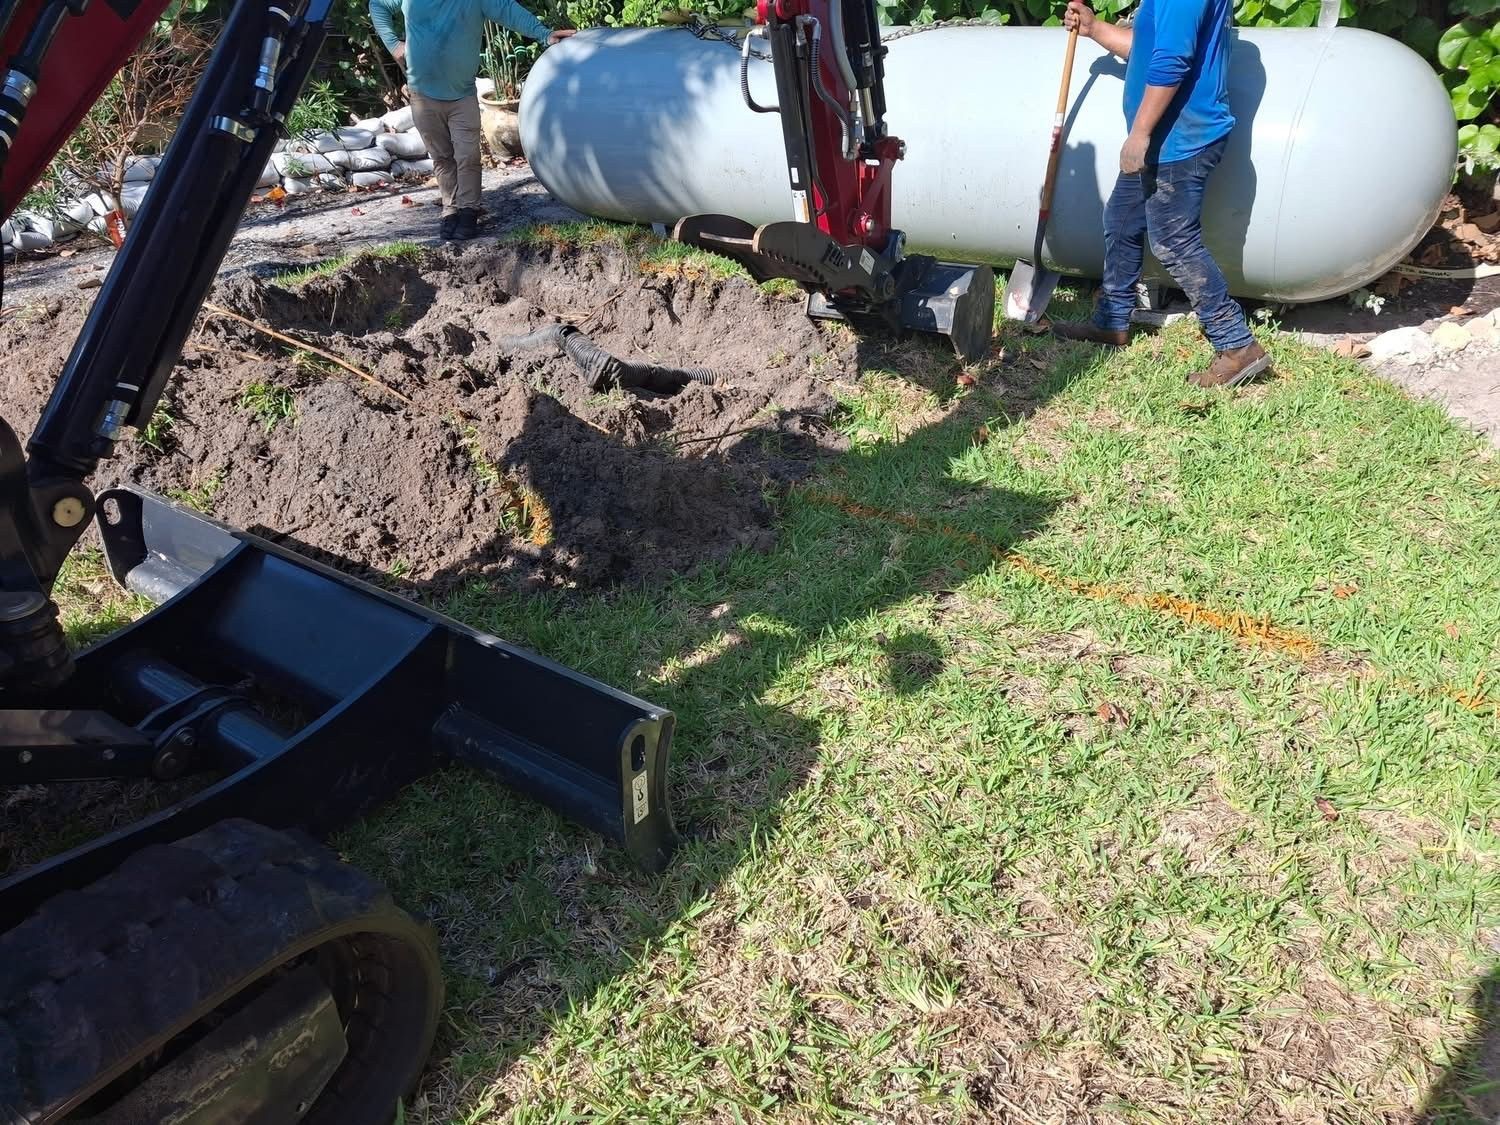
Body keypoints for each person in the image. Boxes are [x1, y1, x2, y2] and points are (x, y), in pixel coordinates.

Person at [1052, 0, 1269, 389]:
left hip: (1181, 139)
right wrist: (1095, 28)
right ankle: (1113, 321)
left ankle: (1238, 345)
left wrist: (1139, 134)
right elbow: (1149, 46)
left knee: (1174, 240)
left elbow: (1172, 60)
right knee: (1120, 220)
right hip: (1166, 138)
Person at [369, 0, 574, 241]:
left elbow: (507, 9)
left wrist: (544, 35)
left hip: (461, 95)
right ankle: (450, 210)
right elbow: (377, 5)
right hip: (422, 95)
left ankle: (468, 212)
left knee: (467, 156)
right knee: (442, 158)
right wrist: (393, 44)